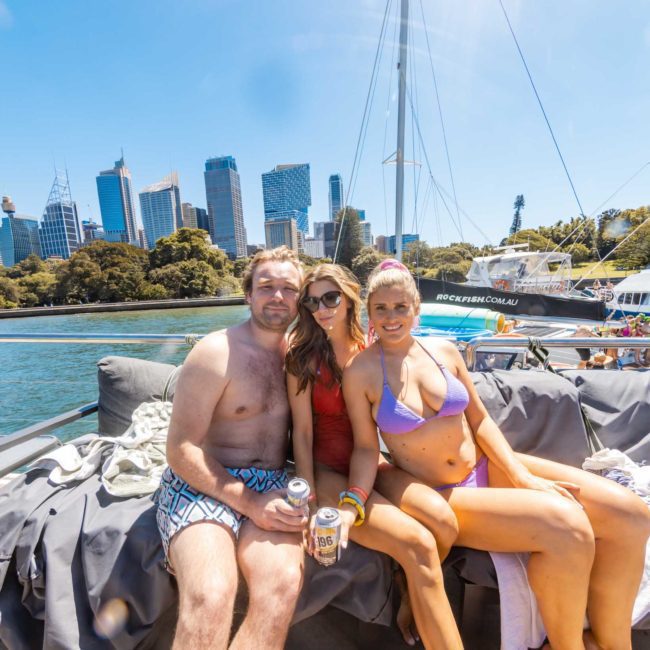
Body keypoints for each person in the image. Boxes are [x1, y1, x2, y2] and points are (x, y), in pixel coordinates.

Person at [344, 259, 650, 650]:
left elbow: (481, 420)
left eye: (400, 306)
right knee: (567, 527)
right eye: (381, 308)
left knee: (632, 515)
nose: (391, 317)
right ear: (369, 313)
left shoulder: (445, 351)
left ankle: (613, 643)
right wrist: (354, 500)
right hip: (441, 493)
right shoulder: (360, 372)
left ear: (416, 307)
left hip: (487, 468)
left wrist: (522, 477)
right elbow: (367, 448)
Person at [285, 264, 462, 649]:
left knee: (443, 523)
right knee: (417, 542)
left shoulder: (374, 350)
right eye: (312, 301)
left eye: (331, 298)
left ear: (350, 300)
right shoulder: (302, 360)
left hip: (370, 463)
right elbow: (301, 432)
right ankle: (414, 595)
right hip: (328, 468)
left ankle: (408, 589)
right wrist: (309, 498)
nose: (322, 308)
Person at [156, 247, 307, 650]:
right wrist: (250, 502)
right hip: (204, 481)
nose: (278, 296)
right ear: (248, 295)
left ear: (300, 297)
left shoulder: (300, 357)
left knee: (282, 585)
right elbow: (181, 448)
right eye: (266, 287)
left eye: (289, 288)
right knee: (211, 593)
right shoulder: (215, 352)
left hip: (273, 483)